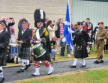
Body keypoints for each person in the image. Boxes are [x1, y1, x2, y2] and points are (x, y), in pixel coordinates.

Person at [31, 9, 54, 76]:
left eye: (40, 22)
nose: (39, 24)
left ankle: (50, 68)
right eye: (38, 23)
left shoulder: (45, 30)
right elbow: (34, 38)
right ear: (36, 23)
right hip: (37, 47)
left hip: (43, 47)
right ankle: (37, 72)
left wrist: (42, 39)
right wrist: (32, 40)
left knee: (44, 61)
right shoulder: (36, 30)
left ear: (43, 23)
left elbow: (47, 39)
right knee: (36, 60)